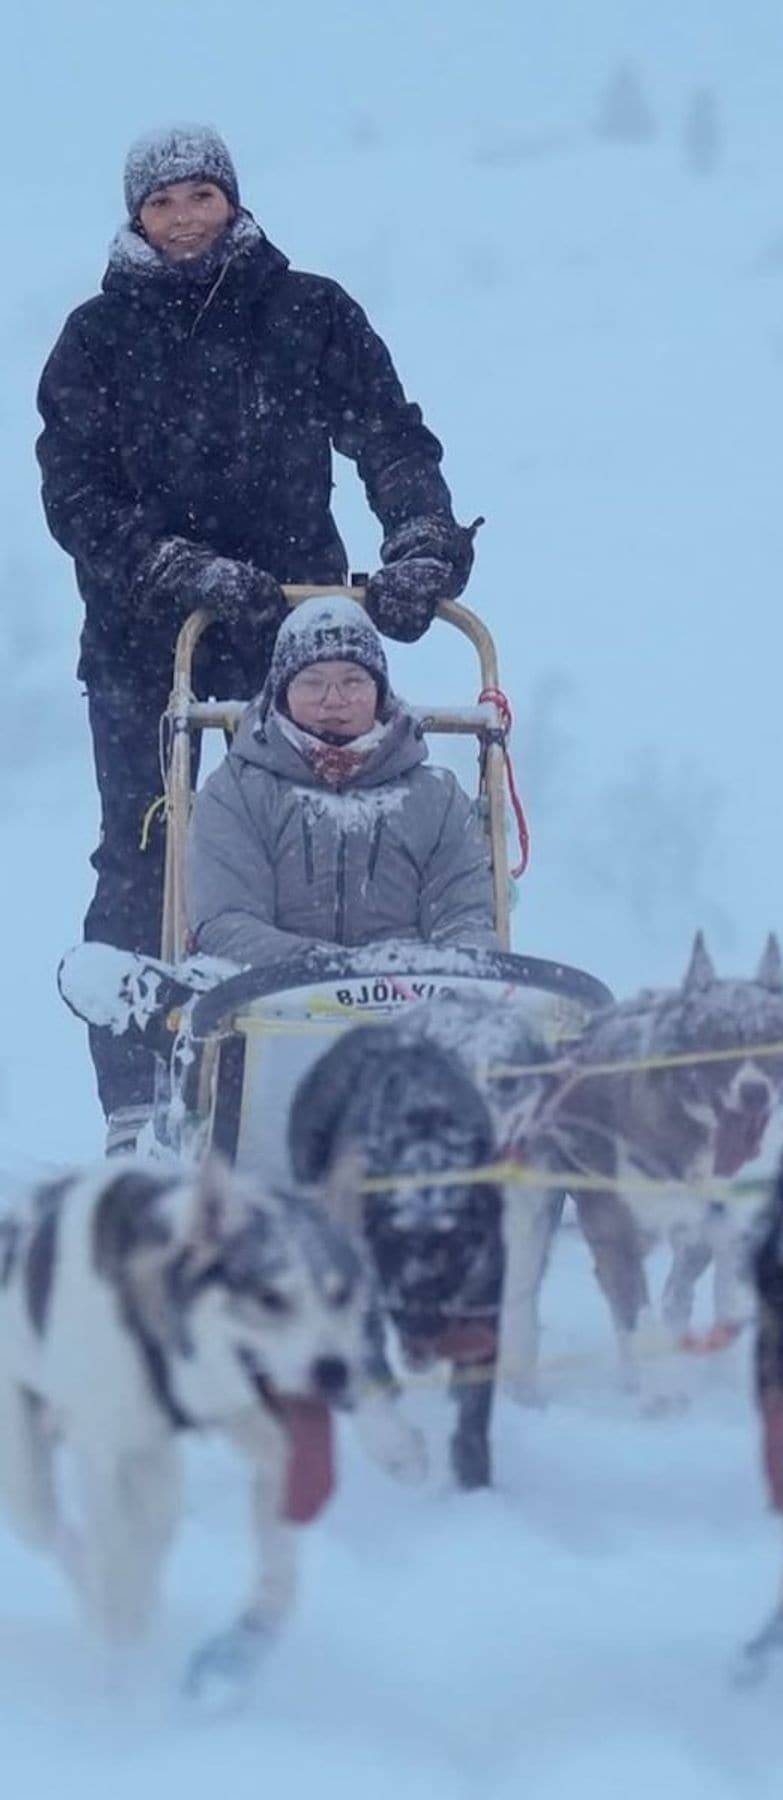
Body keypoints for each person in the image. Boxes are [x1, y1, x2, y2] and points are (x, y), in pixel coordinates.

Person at [36, 123, 479, 1149]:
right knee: (155, 847)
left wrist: (418, 542)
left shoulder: (307, 311)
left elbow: (388, 435)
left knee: (325, 830)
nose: (185, 216)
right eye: (163, 202)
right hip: (154, 641)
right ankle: (141, 1096)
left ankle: (335, 1052)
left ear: (233, 201)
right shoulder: (96, 340)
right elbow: (77, 496)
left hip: (298, 629)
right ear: (135, 217)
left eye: (202, 195)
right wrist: (175, 568)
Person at [187, 596, 497, 966]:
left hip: (413, 1007)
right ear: (283, 694)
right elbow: (226, 923)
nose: (333, 700)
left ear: (379, 693)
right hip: (266, 1004)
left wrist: (409, 979)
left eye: (353, 681)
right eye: (312, 682)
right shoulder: (237, 791)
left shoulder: (436, 798)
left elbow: (465, 921)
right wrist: (335, 973)